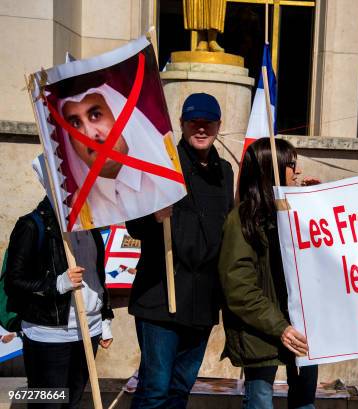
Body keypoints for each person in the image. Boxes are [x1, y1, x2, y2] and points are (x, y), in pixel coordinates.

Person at [126, 92, 234, 409]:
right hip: (161, 300)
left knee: (180, 390)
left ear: (218, 126)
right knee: (155, 389)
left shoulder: (225, 172)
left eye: (208, 123)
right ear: (183, 124)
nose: (201, 129)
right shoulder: (162, 164)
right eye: (194, 123)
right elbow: (134, 225)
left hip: (201, 304)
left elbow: (229, 229)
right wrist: (152, 216)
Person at [4, 156, 114, 409]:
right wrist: (56, 284)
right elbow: (14, 282)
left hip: (89, 331)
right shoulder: (31, 226)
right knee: (47, 404)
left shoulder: (90, 225)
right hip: (48, 336)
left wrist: (104, 317)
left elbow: (96, 276)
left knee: (72, 402)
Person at [219, 138, 319, 409]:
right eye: (291, 165)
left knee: (305, 404)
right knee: (260, 402)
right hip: (261, 336)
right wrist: (280, 327)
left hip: (301, 330)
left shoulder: (295, 213)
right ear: (270, 169)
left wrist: (318, 206)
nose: (297, 172)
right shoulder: (242, 220)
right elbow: (239, 288)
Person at [57, 83, 186, 229]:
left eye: (95, 115)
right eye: (75, 124)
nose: (91, 135)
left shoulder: (168, 169)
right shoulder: (82, 209)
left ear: (119, 115)